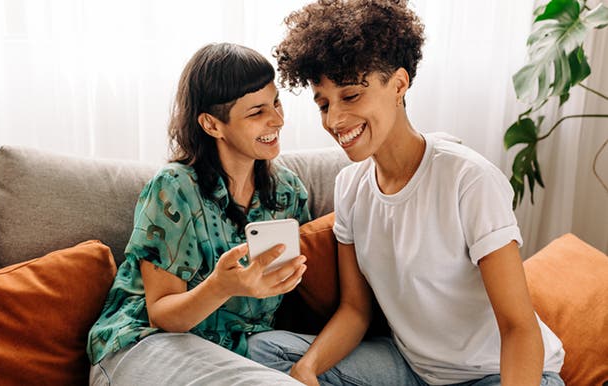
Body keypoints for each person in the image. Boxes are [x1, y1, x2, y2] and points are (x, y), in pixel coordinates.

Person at [248, 1, 566, 385]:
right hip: (412, 369)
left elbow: (518, 327)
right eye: (324, 104)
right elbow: (355, 310)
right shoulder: (350, 187)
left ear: (398, 84)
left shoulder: (469, 180)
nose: (334, 120)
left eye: (350, 96)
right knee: (262, 352)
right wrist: (307, 369)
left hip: (494, 372)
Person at [86, 42, 311, 385]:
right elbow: (162, 314)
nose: (277, 119)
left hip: (235, 352)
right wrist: (221, 287)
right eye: (256, 112)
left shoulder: (287, 192)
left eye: (276, 102)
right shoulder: (174, 188)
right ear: (211, 124)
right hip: (143, 344)